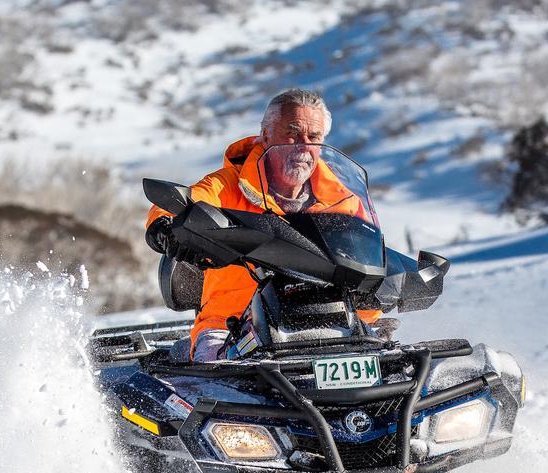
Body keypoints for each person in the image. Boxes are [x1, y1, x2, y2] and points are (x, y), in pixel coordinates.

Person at [145, 88, 381, 362]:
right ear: (266, 135)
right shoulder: (228, 186)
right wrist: (167, 228)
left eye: (314, 137)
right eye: (293, 133)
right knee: (217, 386)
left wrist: (376, 302)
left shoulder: (343, 201)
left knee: (396, 375)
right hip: (232, 325)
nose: (303, 146)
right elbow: (176, 204)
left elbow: (365, 257)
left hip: (331, 321)